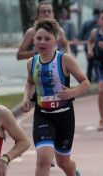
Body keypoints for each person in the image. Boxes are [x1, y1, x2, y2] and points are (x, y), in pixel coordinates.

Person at [21, 18, 90, 176]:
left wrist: (71, 93)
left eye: (47, 39)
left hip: (64, 116)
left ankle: (74, 173)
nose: (42, 42)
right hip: (42, 116)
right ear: (34, 41)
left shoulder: (64, 59)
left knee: (63, 163)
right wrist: (26, 97)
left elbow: (85, 83)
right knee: (44, 159)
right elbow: (30, 83)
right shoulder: (32, 62)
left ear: (56, 42)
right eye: (39, 38)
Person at [79, 8, 100, 82]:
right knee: (98, 64)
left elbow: (81, 34)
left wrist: (84, 41)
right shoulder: (101, 22)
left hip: (87, 45)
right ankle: (97, 78)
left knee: (90, 64)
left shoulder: (87, 22)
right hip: (98, 46)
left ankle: (89, 80)